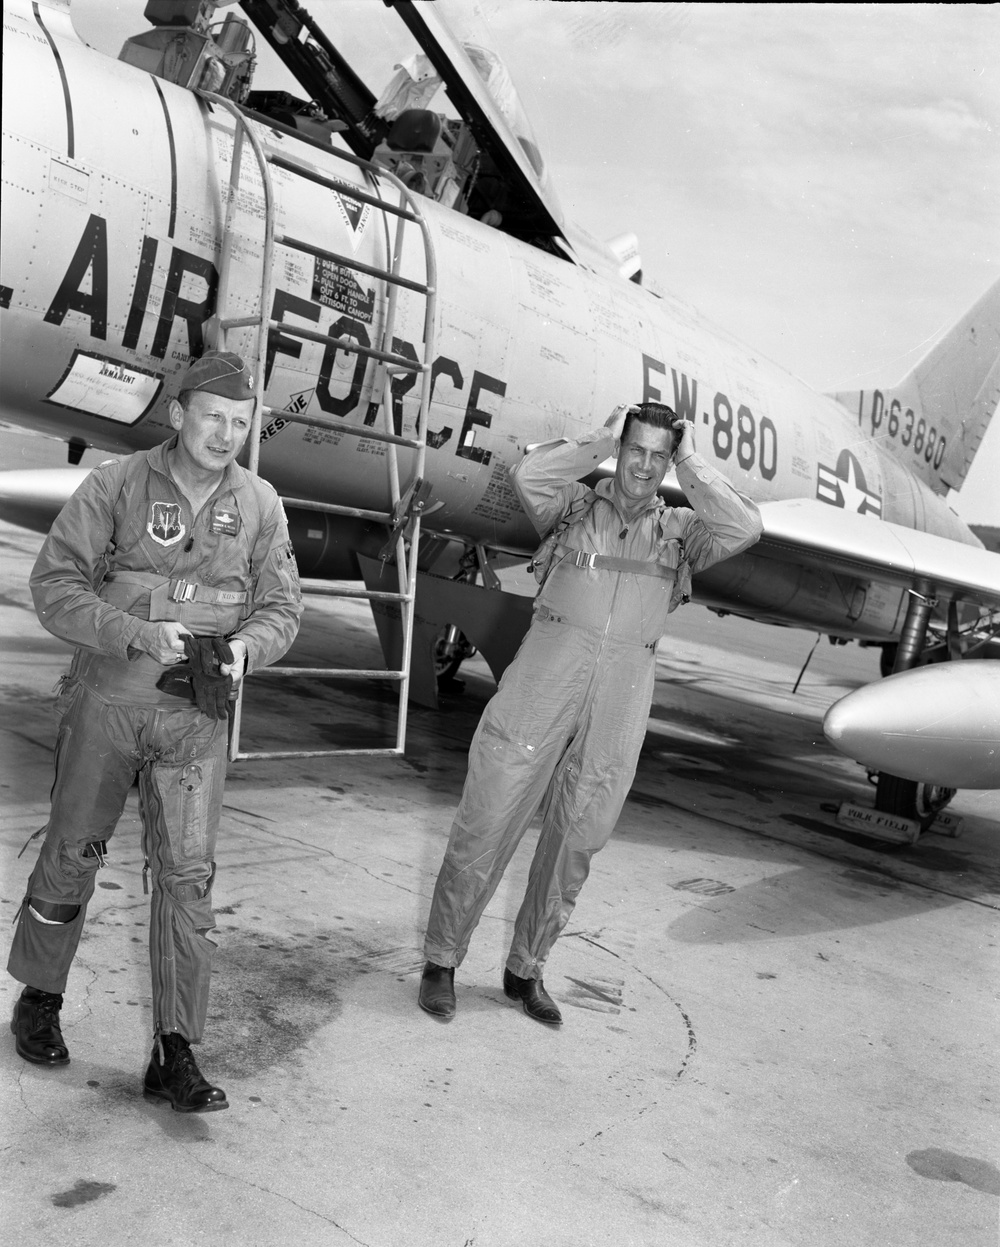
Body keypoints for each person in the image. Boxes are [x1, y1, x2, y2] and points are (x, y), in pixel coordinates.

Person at [7, 351, 302, 1112]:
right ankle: (39, 995)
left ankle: (176, 1048)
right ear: (179, 415)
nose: (226, 434)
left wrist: (244, 648)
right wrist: (134, 629)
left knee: (187, 882)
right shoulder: (116, 483)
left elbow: (284, 609)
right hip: (109, 702)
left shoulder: (262, 503)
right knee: (73, 852)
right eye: (213, 417)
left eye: (240, 423)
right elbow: (54, 586)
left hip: (195, 721)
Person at [418, 402, 763, 1024]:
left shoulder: (682, 531)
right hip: (545, 681)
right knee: (489, 815)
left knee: (577, 838)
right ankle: (442, 961)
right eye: (637, 450)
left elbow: (744, 528)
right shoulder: (574, 505)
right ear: (620, 449)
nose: (644, 466)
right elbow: (530, 478)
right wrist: (602, 437)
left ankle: (526, 970)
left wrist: (691, 461)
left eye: (660, 455)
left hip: (621, 697)